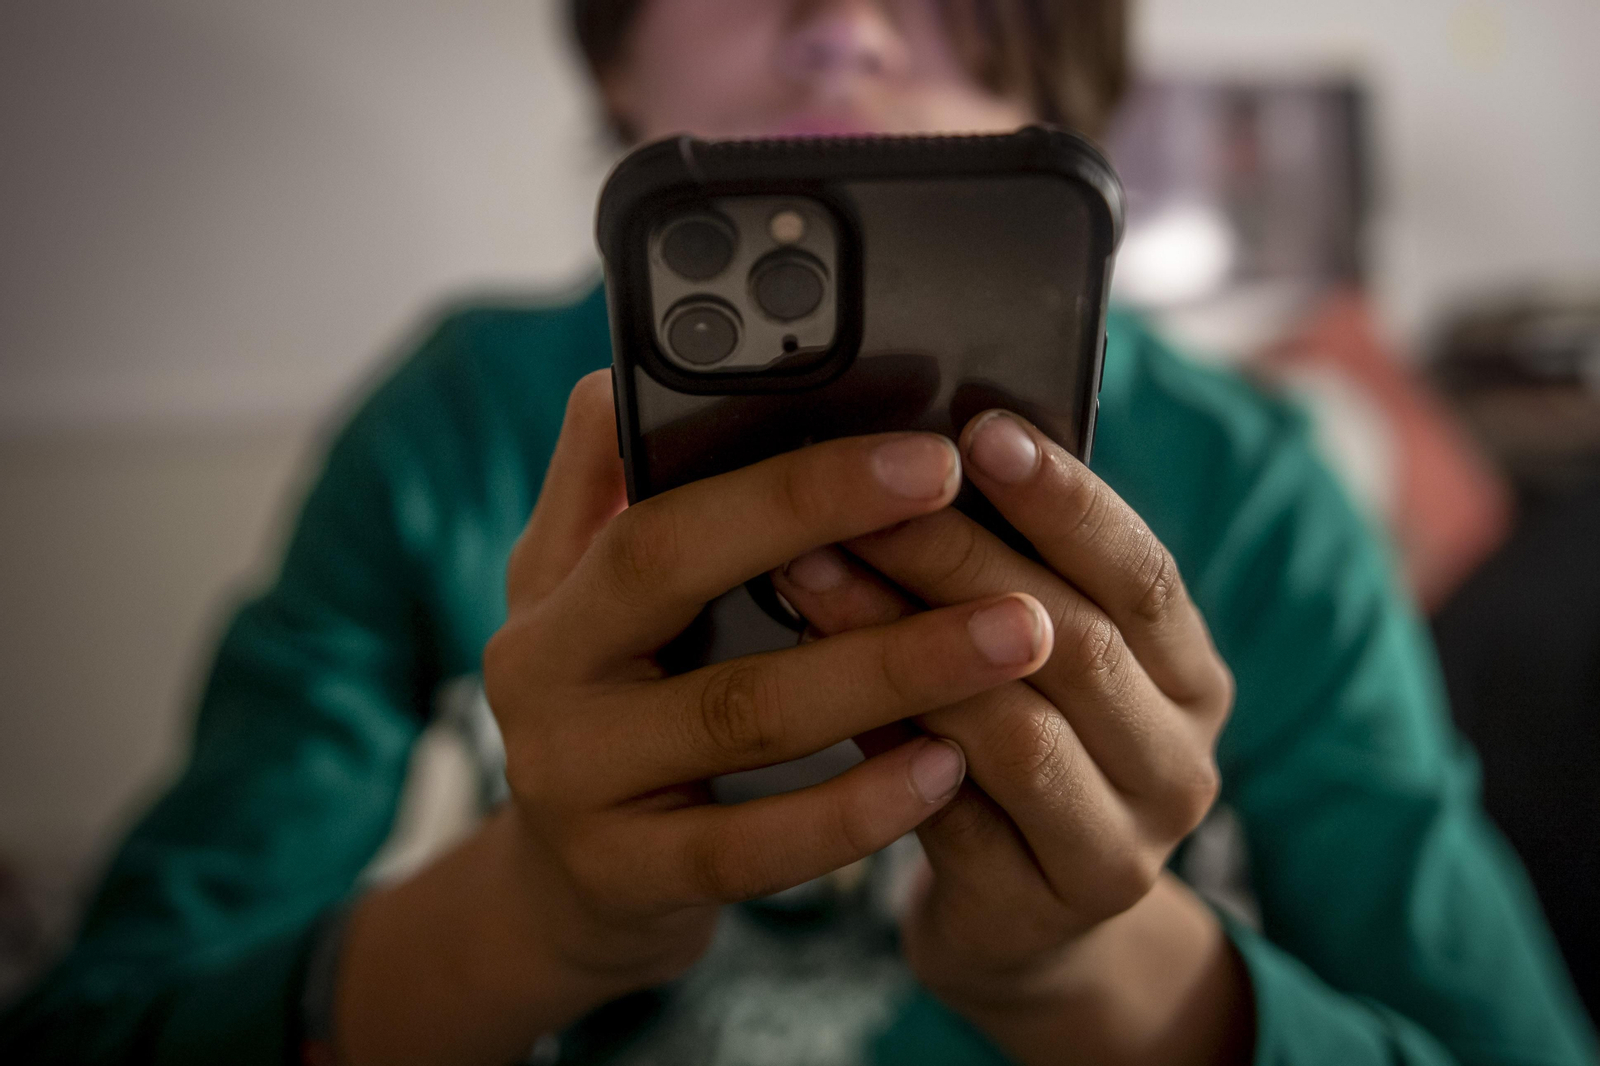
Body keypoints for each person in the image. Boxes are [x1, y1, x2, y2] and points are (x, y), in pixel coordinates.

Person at [2, 1, 1595, 1063]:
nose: (839, 18)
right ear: (614, 53)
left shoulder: (1254, 484)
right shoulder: (454, 421)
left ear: (1064, 57)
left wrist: (1089, 971)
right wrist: (537, 916)